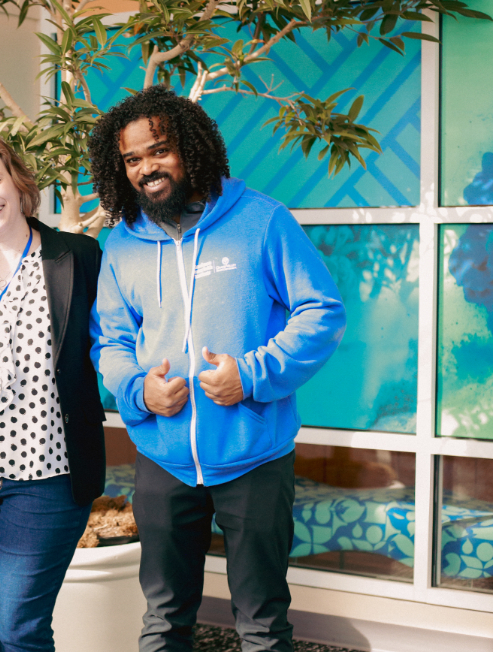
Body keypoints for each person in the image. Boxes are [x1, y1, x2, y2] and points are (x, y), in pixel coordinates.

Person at [88, 85, 347, 652]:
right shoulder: (122, 246)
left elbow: (321, 310)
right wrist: (139, 392)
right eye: (132, 160)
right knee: (163, 617)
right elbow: (109, 339)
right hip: (163, 459)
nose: (146, 168)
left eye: (158, 150)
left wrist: (251, 375)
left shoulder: (261, 220)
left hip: (253, 455)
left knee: (260, 621)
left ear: (191, 147)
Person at [0, 135, 106, 652]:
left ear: (18, 184)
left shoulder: (75, 255)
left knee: (20, 628)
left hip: (45, 474)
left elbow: (117, 335)